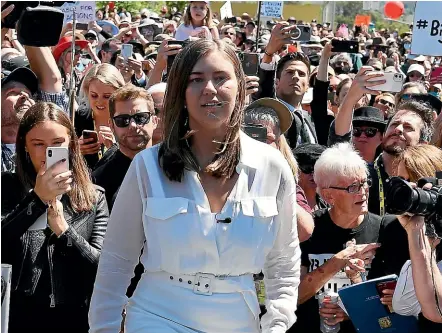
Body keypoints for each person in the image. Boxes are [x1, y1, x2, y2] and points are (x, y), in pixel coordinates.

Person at [89, 39, 301, 333]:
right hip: (157, 316)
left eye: (221, 78)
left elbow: (283, 262)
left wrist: (277, 325)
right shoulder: (148, 166)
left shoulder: (272, 167)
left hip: (239, 320)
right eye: (196, 79)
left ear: (240, 86)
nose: (210, 89)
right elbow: (116, 261)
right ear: (180, 91)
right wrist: (104, 328)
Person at [1, 102, 109, 333]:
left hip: (74, 319)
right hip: (19, 318)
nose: (47, 152)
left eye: (57, 143)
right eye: (38, 144)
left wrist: (63, 230)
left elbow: (102, 269)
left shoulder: (93, 197)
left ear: (71, 144)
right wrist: (37, 200)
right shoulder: (7, 189)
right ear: (25, 147)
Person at [290, 142, 381, 333]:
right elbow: (293, 296)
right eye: (352, 187)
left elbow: (389, 303)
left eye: (365, 183)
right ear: (328, 195)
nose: (363, 191)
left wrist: (351, 310)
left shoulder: (382, 229)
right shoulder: (309, 229)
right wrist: (336, 262)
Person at [331, 66, 435, 216]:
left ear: (423, 143)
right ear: (384, 134)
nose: (398, 129)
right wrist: (350, 98)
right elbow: (340, 141)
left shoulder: (431, 180)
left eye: (408, 127)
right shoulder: (360, 172)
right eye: (394, 124)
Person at [243, 97, 314, 242]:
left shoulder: (285, 181)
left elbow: (304, 230)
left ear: (279, 145)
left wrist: (273, 181)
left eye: (267, 139)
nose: (259, 145)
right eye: (253, 137)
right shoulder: (225, 175)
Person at [92, 84, 157, 210]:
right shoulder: (98, 181)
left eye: (140, 118)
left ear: (154, 121)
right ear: (111, 125)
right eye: (123, 120)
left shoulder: (173, 167)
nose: (132, 125)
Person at [75, 64, 125, 170]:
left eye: (107, 96)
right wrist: (75, 150)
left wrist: (115, 148)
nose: (99, 101)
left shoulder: (127, 120)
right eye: (94, 95)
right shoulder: (78, 118)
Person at [293, 143, 328, 211]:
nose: (313, 174)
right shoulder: (289, 203)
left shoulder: (329, 202)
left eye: (318, 169)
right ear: (296, 170)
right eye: (307, 168)